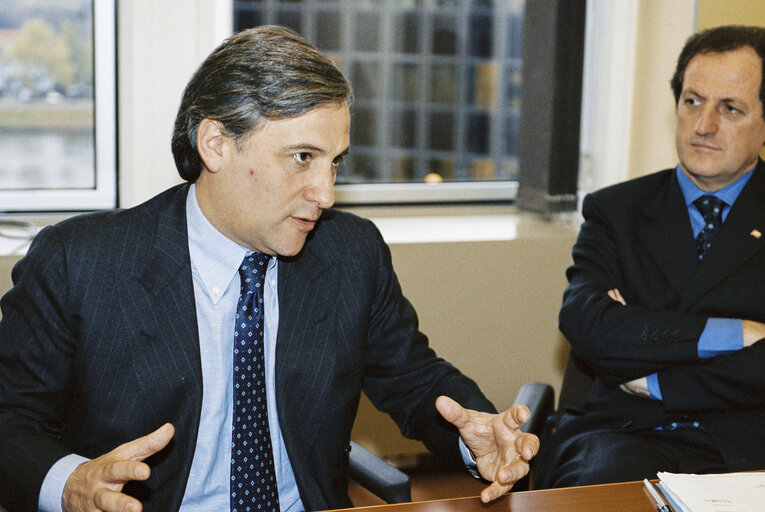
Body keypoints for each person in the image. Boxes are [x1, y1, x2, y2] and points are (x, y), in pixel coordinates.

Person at [0, 26, 538, 512]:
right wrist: (70, 485)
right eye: (302, 157)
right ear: (215, 144)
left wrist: (477, 433)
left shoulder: (351, 253)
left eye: (335, 162)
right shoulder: (79, 262)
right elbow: (10, 421)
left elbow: (416, 379)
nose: (325, 194)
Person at [536, 25, 765, 489]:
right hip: (625, 432)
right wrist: (738, 332)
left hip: (751, 442)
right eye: (692, 101)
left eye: (731, 108)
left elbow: (617, 336)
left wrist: (655, 378)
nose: (703, 126)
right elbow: (589, 326)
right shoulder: (615, 210)